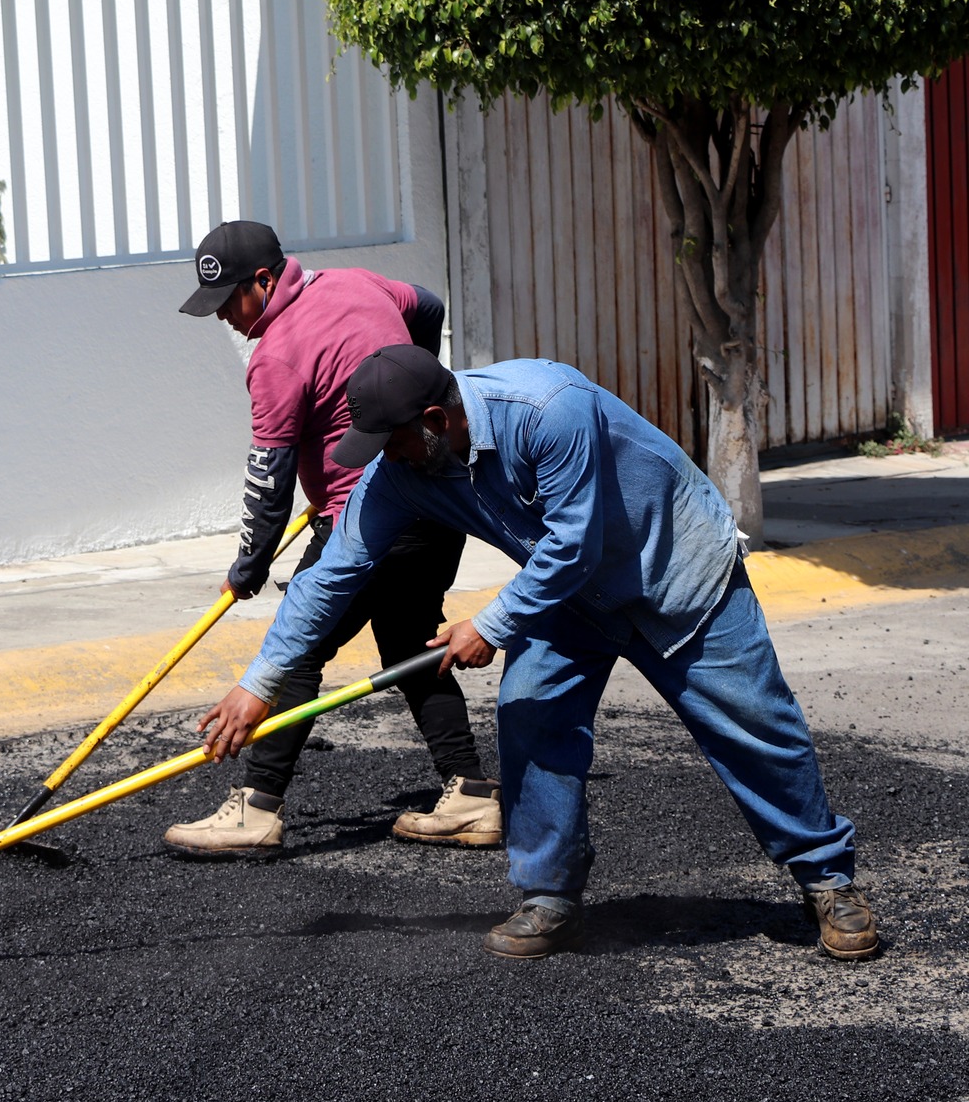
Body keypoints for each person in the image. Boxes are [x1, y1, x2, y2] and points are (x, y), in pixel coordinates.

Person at [196, 345, 879, 961]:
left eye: (395, 441)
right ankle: (550, 893)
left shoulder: (548, 408)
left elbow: (574, 543)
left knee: (752, 720)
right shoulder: (401, 473)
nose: (387, 457)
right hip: (570, 598)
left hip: (676, 566)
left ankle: (827, 878)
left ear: (437, 418)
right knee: (531, 710)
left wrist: (489, 623)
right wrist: (261, 681)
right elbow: (331, 575)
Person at [167, 221, 499, 857]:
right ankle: (473, 795)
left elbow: (270, 478)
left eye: (230, 301)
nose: (225, 319)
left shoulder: (275, 357)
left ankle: (257, 808)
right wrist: (413, 376)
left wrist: (249, 567)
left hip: (367, 515)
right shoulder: (361, 283)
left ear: (265, 281)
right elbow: (427, 304)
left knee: (297, 645)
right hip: (436, 501)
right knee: (408, 639)